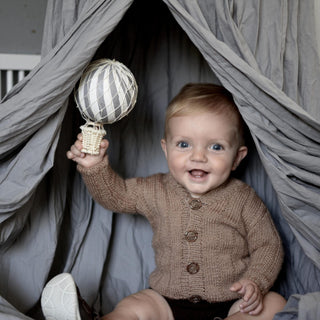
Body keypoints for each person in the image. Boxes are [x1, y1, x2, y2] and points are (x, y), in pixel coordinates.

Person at [42, 83, 286, 320]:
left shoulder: (243, 199)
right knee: (134, 305)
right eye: (183, 144)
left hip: (231, 303)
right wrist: (94, 167)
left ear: (237, 157)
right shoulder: (156, 189)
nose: (198, 156)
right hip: (167, 303)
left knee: (275, 304)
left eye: (215, 146)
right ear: (166, 149)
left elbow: (268, 245)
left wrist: (256, 281)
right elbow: (117, 196)